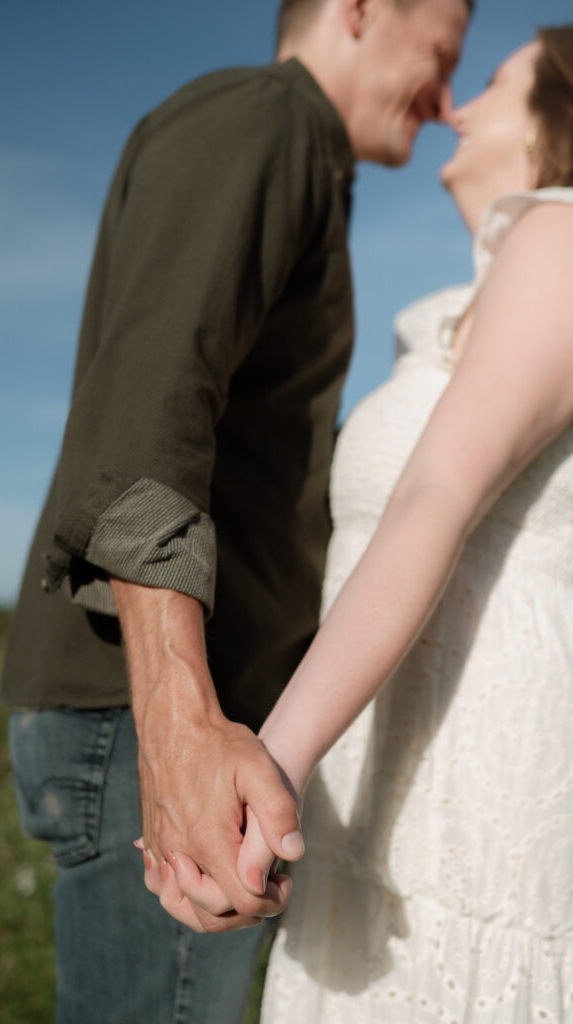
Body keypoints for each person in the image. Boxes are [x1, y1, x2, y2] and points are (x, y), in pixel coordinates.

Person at [1, 0, 470, 1021]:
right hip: (148, 708)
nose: (443, 99)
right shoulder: (264, 122)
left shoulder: (303, 161)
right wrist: (182, 720)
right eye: (441, 53)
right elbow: (153, 403)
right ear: (359, 10)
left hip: (158, 709)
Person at [186, 23, 572, 1023]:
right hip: (379, 830)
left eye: (491, 83)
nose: (456, 104)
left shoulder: (564, 234)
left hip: (469, 820)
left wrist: (267, 766)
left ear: (558, 118)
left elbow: (433, 493)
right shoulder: (469, 301)